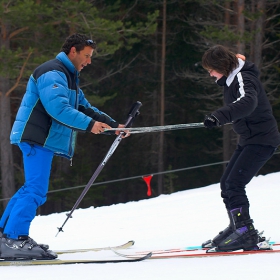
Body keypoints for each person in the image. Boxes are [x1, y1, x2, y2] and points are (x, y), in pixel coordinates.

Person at [0, 34, 128, 260]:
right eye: (86, 56)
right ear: (73, 52)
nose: (88, 61)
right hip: (36, 137)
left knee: (30, 188)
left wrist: (111, 125)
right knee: (36, 190)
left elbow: (84, 107)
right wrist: (90, 126)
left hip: (40, 139)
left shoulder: (68, 77)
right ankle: (15, 238)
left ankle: (6, 236)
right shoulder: (53, 72)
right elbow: (57, 109)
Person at [201, 45, 280, 252]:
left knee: (234, 184)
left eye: (211, 69)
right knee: (227, 183)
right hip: (250, 139)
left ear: (221, 66)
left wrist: (220, 115)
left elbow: (248, 102)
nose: (210, 74)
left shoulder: (244, 78)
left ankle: (245, 232)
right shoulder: (232, 76)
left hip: (261, 140)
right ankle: (238, 226)